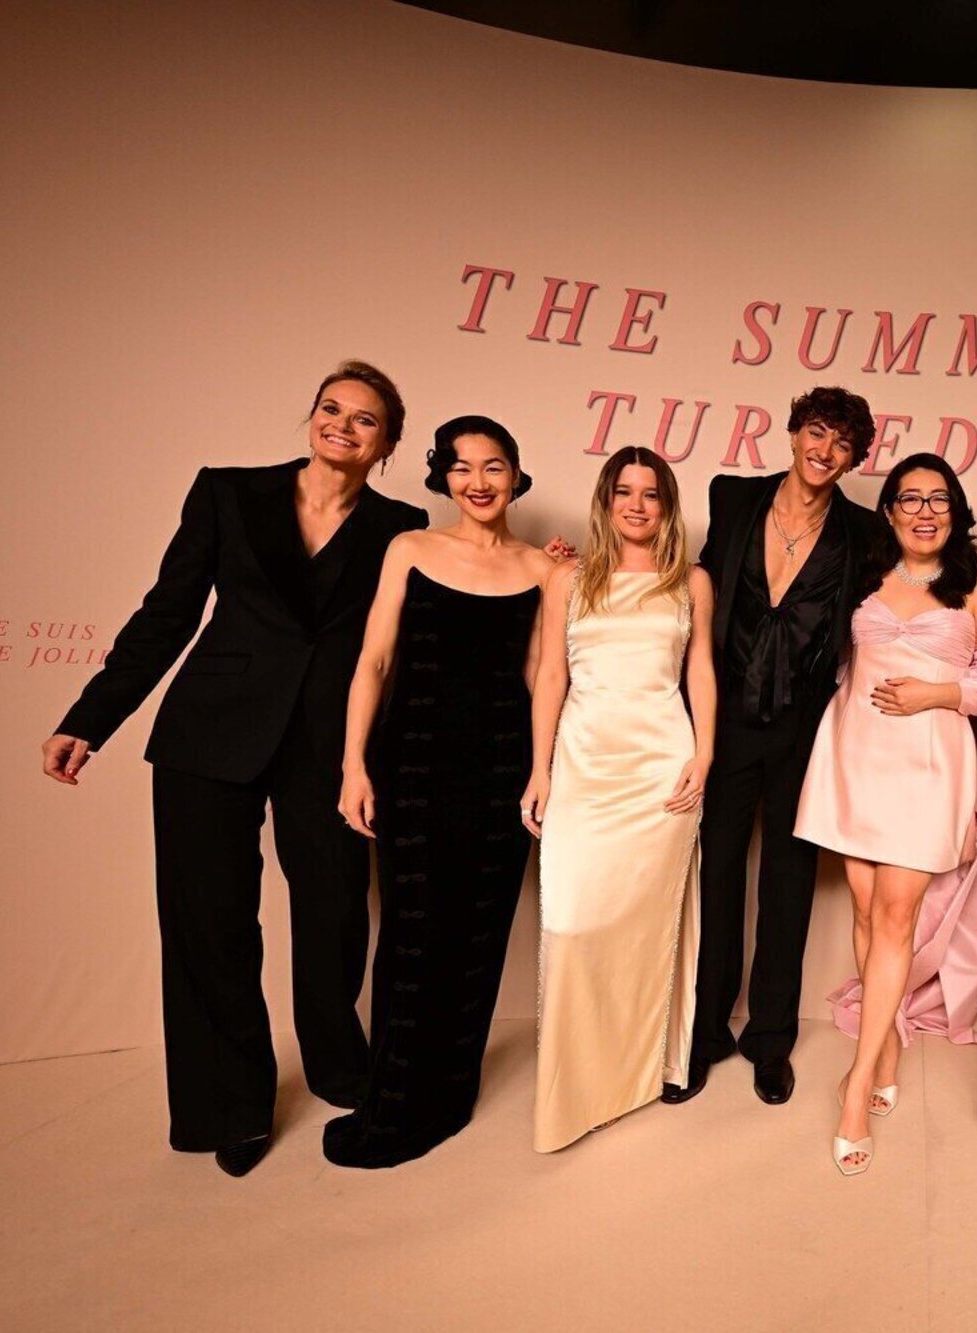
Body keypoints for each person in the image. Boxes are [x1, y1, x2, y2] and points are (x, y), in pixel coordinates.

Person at [39, 361, 427, 1176]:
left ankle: (336, 1062)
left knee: (334, 914)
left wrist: (552, 568)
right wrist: (91, 717)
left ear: (386, 443)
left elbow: (413, 640)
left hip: (328, 748)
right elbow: (166, 612)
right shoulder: (227, 492)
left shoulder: (403, 524)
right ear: (311, 416)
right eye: (332, 410)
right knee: (208, 922)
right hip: (208, 737)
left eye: (365, 421)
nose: (343, 427)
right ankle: (231, 1101)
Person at [324, 415, 553, 1168]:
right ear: (442, 476)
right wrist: (354, 764)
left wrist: (541, 770)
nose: (478, 481)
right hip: (413, 766)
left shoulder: (544, 567)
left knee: (478, 938)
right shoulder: (410, 548)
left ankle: (449, 1097)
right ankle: (394, 1100)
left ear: (516, 474)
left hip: (498, 770)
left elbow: (541, 677)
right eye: (461, 468)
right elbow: (375, 660)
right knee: (414, 938)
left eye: (493, 466)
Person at [795, 454, 977, 1176]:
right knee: (863, 911)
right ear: (888, 511)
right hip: (855, 755)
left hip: (928, 764)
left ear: (955, 512)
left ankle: (857, 1088)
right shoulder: (862, 575)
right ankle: (885, 1045)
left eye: (938, 499)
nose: (925, 510)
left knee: (894, 918)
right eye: (910, 498)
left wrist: (934, 696)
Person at [670, 387, 878, 1109]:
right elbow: (693, 587)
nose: (824, 450)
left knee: (787, 887)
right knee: (717, 877)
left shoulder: (863, 530)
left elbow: (910, 591)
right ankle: (702, 1036)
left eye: (842, 443)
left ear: (856, 457)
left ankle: (770, 1041)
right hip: (723, 723)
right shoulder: (733, 497)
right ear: (792, 432)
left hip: (805, 731)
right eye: (816, 432)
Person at [522, 446, 715, 1153]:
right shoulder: (567, 575)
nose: (637, 504)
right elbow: (549, 675)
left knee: (646, 921)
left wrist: (705, 753)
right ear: (605, 500)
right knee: (572, 923)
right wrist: (539, 769)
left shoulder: (689, 580)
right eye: (623, 491)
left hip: (661, 765)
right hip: (584, 762)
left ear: (667, 505)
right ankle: (579, 1084)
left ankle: (648, 1070)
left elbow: (702, 672)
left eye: (651, 493)